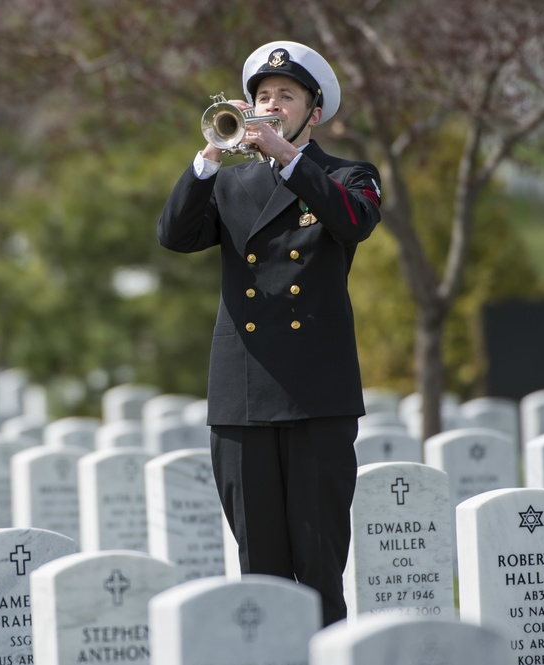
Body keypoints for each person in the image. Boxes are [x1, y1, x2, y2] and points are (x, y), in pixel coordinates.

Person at [157, 40, 382, 627]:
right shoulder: (229, 186)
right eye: (262, 97)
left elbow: (352, 222)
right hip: (244, 395)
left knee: (319, 563)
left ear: (314, 110)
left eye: (286, 96)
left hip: (316, 394)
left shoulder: (348, 175)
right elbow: (174, 235)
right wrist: (211, 153)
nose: (271, 105)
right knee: (259, 571)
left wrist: (286, 157)